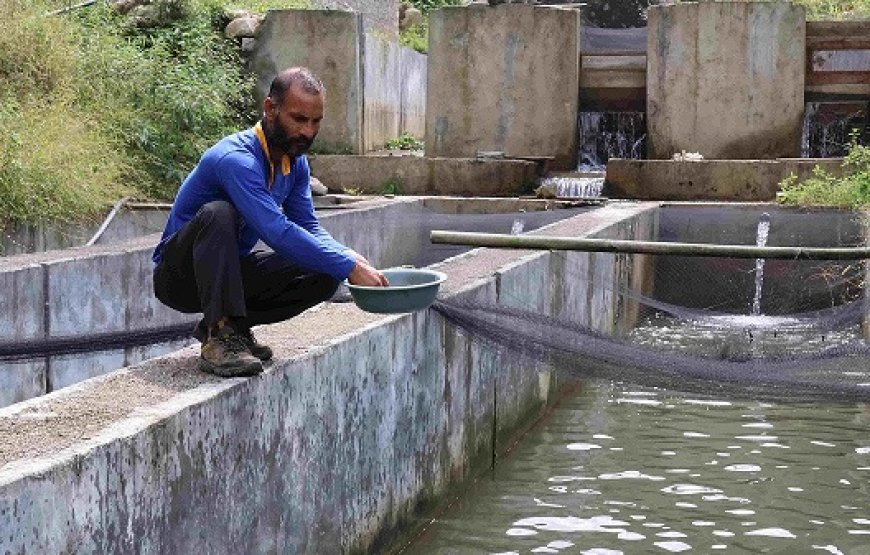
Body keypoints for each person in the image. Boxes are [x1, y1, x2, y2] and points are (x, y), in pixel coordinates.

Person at [152, 67, 388, 378]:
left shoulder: (295, 162)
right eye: (299, 119)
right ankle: (220, 338)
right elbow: (276, 230)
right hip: (179, 277)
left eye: (315, 121)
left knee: (325, 271)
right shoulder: (236, 159)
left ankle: (233, 326)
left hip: (229, 274)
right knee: (218, 213)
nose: (308, 132)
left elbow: (308, 226)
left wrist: (348, 258)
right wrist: (348, 266)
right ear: (270, 109)